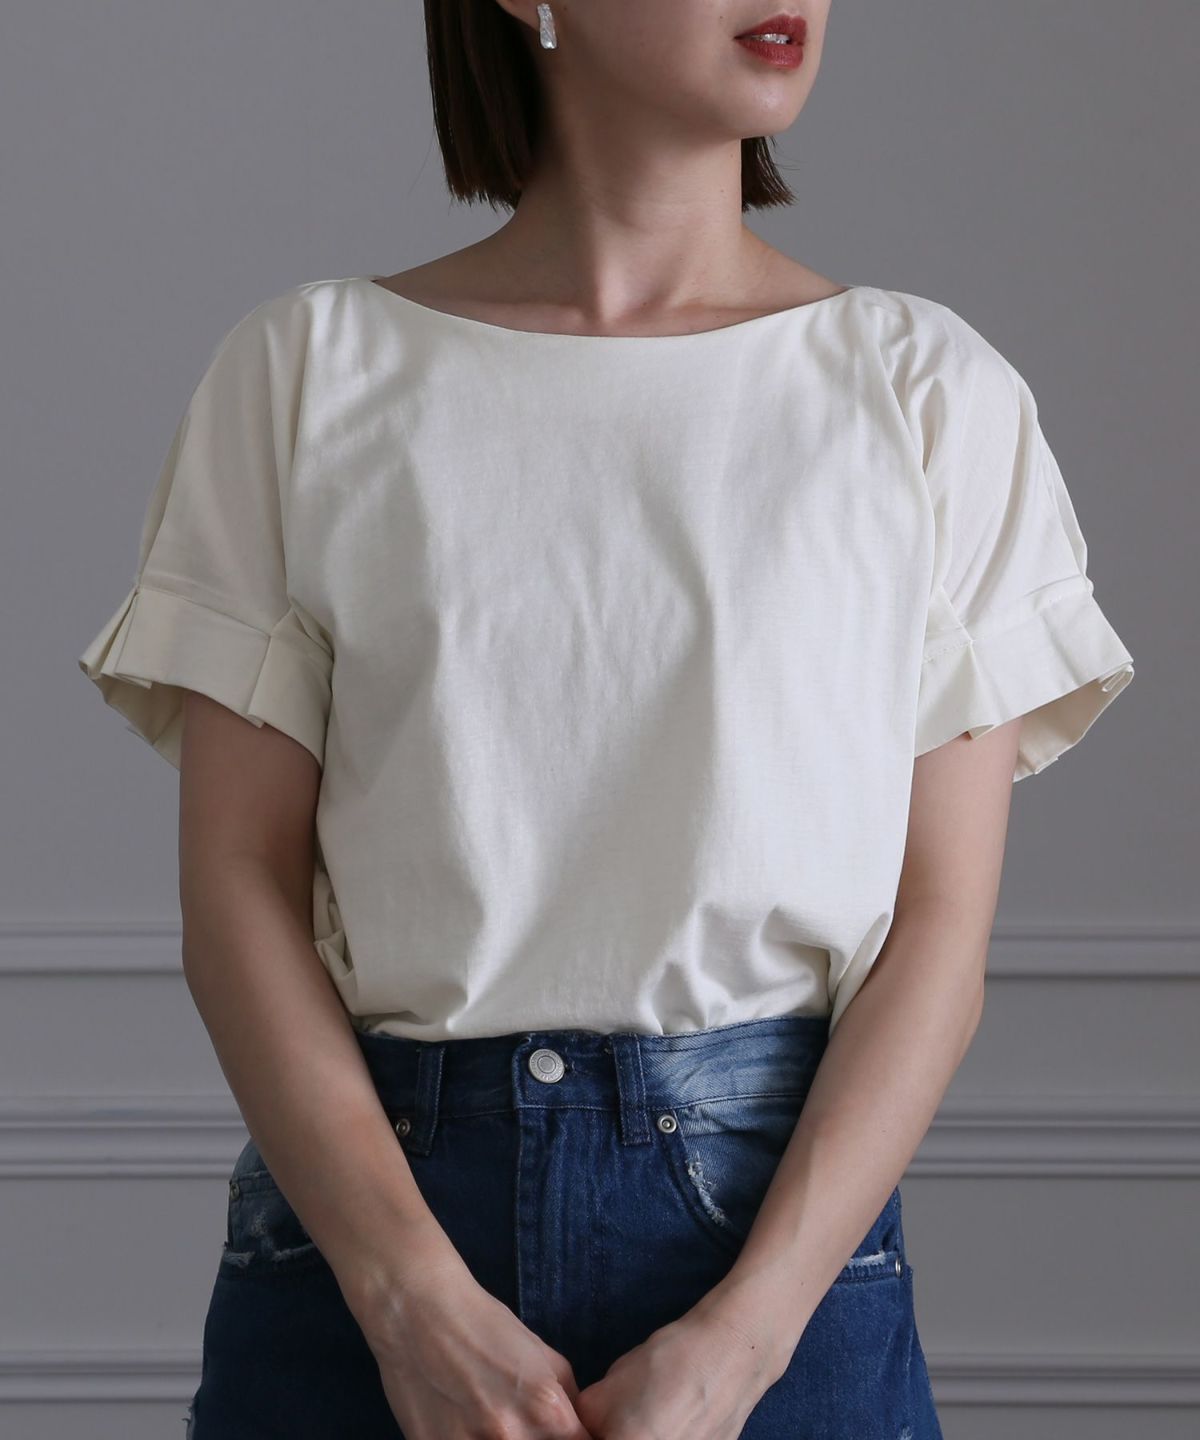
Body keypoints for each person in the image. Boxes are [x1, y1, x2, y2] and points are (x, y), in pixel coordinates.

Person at [77, 3, 1135, 1437]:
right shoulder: (309, 372)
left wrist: (748, 1340)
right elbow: (236, 889)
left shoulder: (926, 393)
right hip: (370, 1238)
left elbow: (939, 933)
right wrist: (404, 1301)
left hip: (776, 1261)